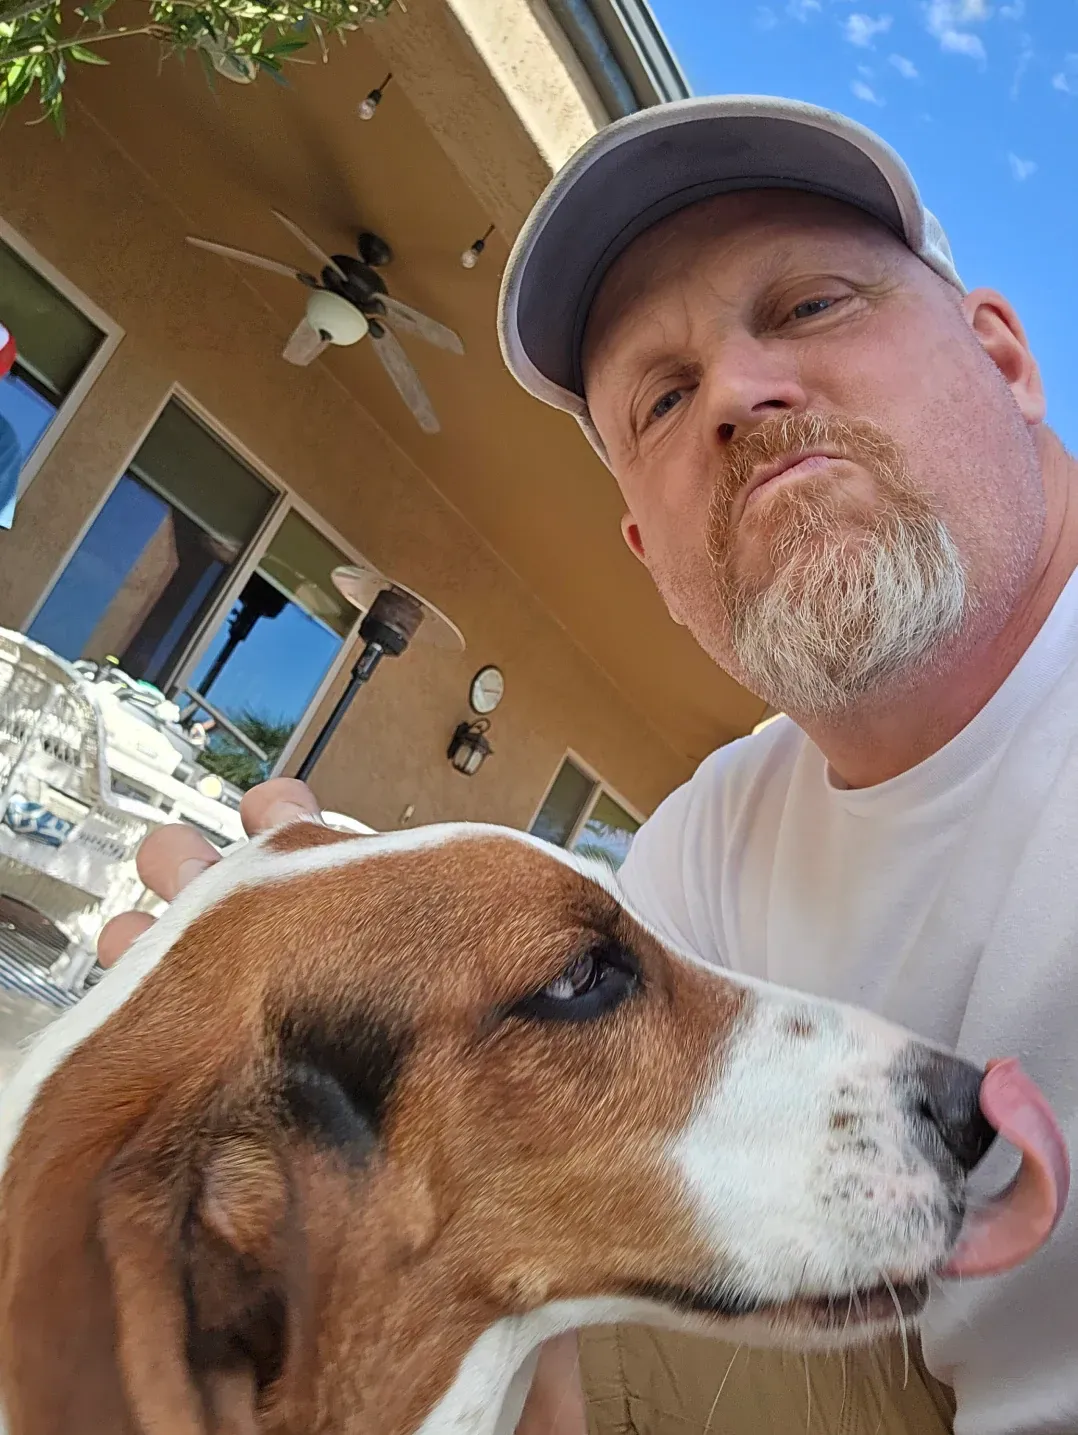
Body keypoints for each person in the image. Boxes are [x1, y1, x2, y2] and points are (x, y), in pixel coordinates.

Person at [99, 97, 1077, 1434]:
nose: (733, 394)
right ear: (648, 555)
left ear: (1002, 359)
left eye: (808, 306)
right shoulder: (716, 836)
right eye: (662, 398)